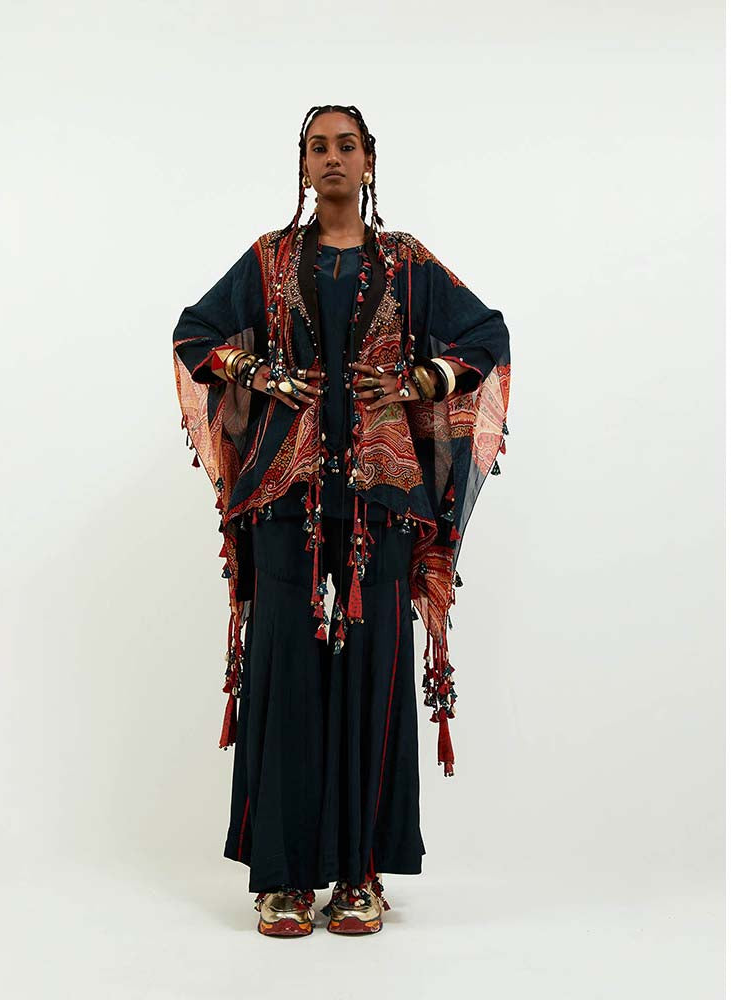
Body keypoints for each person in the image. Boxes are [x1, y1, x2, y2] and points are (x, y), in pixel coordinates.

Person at [172, 104, 511, 936]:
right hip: (285, 501)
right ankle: (284, 879)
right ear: (302, 164)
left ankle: (361, 874)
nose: (332, 158)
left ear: (368, 162)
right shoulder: (268, 259)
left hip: (381, 505)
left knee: (372, 683)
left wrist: (422, 380)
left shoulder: (406, 262)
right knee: (286, 683)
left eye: (346, 146)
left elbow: (486, 335)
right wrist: (257, 370)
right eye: (318, 146)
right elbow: (194, 335)